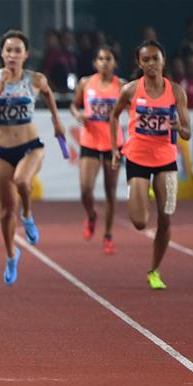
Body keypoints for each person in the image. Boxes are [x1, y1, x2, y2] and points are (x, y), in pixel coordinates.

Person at [0, 29, 65, 286]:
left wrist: (56, 121)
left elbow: (48, 94)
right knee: (5, 212)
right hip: (3, 150)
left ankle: (27, 215)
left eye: (17, 51)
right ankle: (11, 255)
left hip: (30, 145)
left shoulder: (35, 79)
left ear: (26, 55)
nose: (12, 55)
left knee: (23, 181)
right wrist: (0, 88)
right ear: (1, 53)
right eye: (8, 50)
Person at [110, 39, 191, 290]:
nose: (151, 64)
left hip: (166, 159)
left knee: (165, 219)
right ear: (139, 63)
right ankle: (142, 189)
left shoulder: (176, 91)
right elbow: (114, 117)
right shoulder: (131, 90)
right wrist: (115, 148)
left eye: (155, 58)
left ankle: (154, 270)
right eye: (146, 59)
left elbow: (187, 132)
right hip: (137, 157)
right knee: (140, 222)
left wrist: (180, 127)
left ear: (163, 61)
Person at [70, 45, 124, 254]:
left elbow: (135, 105)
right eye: (100, 59)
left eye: (108, 59)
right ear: (95, 62)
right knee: (85, 189)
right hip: (90, 141)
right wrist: (78, 115)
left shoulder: (121, 86)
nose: (104, 62)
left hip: (113, 143)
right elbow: (75, 105)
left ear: (114, 63)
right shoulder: (86, 83)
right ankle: (91, 215)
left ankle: (108, 235)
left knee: (110, 191)